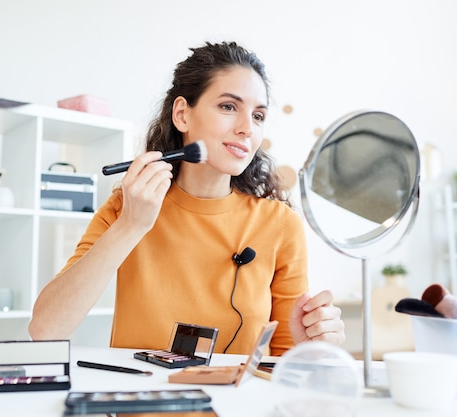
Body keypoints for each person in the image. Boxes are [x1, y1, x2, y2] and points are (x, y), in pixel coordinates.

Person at [28, 41, 345, 355]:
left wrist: (314, 346)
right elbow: (45, 329)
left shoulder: (280, 224)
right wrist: (130, 226)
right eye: (228, 107)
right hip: (142, 403)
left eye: (259, 116)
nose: (247, 128)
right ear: (182, 115)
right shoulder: (129, 206)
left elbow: (285, 364)